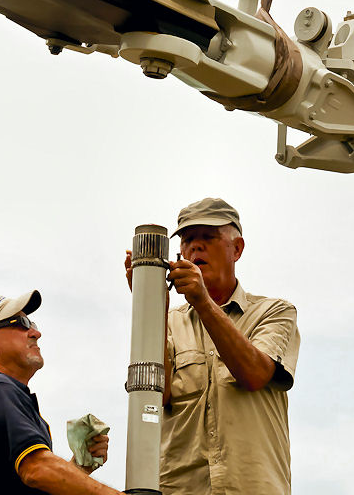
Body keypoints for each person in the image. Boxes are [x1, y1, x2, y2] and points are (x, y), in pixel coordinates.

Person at [124, 198, 301, 495]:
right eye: (188, 240)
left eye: (209, 237)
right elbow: (160, 393)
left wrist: (203, 302)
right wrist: (151, 304)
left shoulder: (274, 312)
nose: (196, 247)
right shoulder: (169, 321)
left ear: (237, 248)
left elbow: (255, 374)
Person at [0, 290, 123, 495]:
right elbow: (37, 470)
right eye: (20, 324)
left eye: (32, 324)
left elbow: (35, 476)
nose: (36, 333)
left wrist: (79, 467)